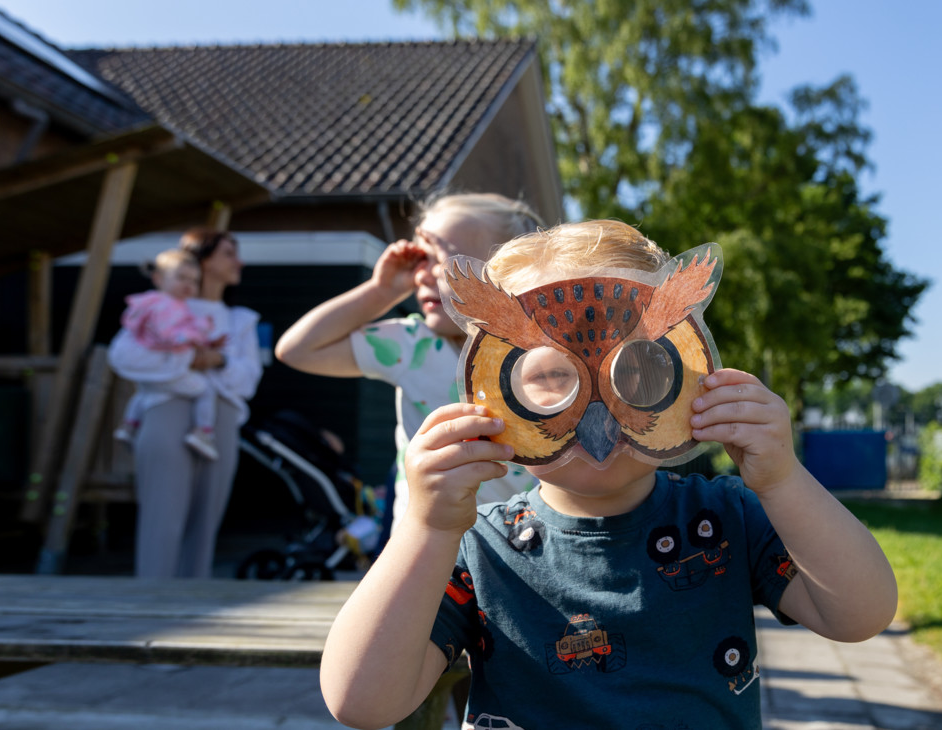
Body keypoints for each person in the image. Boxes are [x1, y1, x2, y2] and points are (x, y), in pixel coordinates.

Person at [318, 220, 899, 730]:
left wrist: (781, 479)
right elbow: (363, 702)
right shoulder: (477, 547)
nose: (599, 413)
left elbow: (860, 615)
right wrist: (425, 528)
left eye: (638, 368)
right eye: (548, 375)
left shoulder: (726, 520)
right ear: (492, 389)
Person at [275, 192, 546, 530]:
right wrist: (381, 290)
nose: (422, 274)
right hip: (423, 549)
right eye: (421, 260)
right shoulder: (412, 344)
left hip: (519, 543)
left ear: (510, 273)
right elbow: (297, 349)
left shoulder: (544, 358)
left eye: (440, 259)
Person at [107, 227, 263, 579]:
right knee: (161, 518)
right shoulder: (159, 307)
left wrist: (217, 361)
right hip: (166, 410)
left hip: (219, 420)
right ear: (203, 259)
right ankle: (151, 606)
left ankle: (192, 609)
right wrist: (189, 361)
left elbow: (247, 379)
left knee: (206, 521)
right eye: (228, 253)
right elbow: (123, 356)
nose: (238, 261)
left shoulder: (241, 321)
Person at [113, 248, 225, 460]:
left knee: (144, 391)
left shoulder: (154, 302)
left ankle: (129, 425)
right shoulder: (167, 306)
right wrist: (196, 338)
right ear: (158, 278)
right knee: (205, 390)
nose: (188, 285)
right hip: (165, 365)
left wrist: (206, 341)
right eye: (181, 277)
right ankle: (203, 432)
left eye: (193, 280)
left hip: (154, 365)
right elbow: (168, 334)